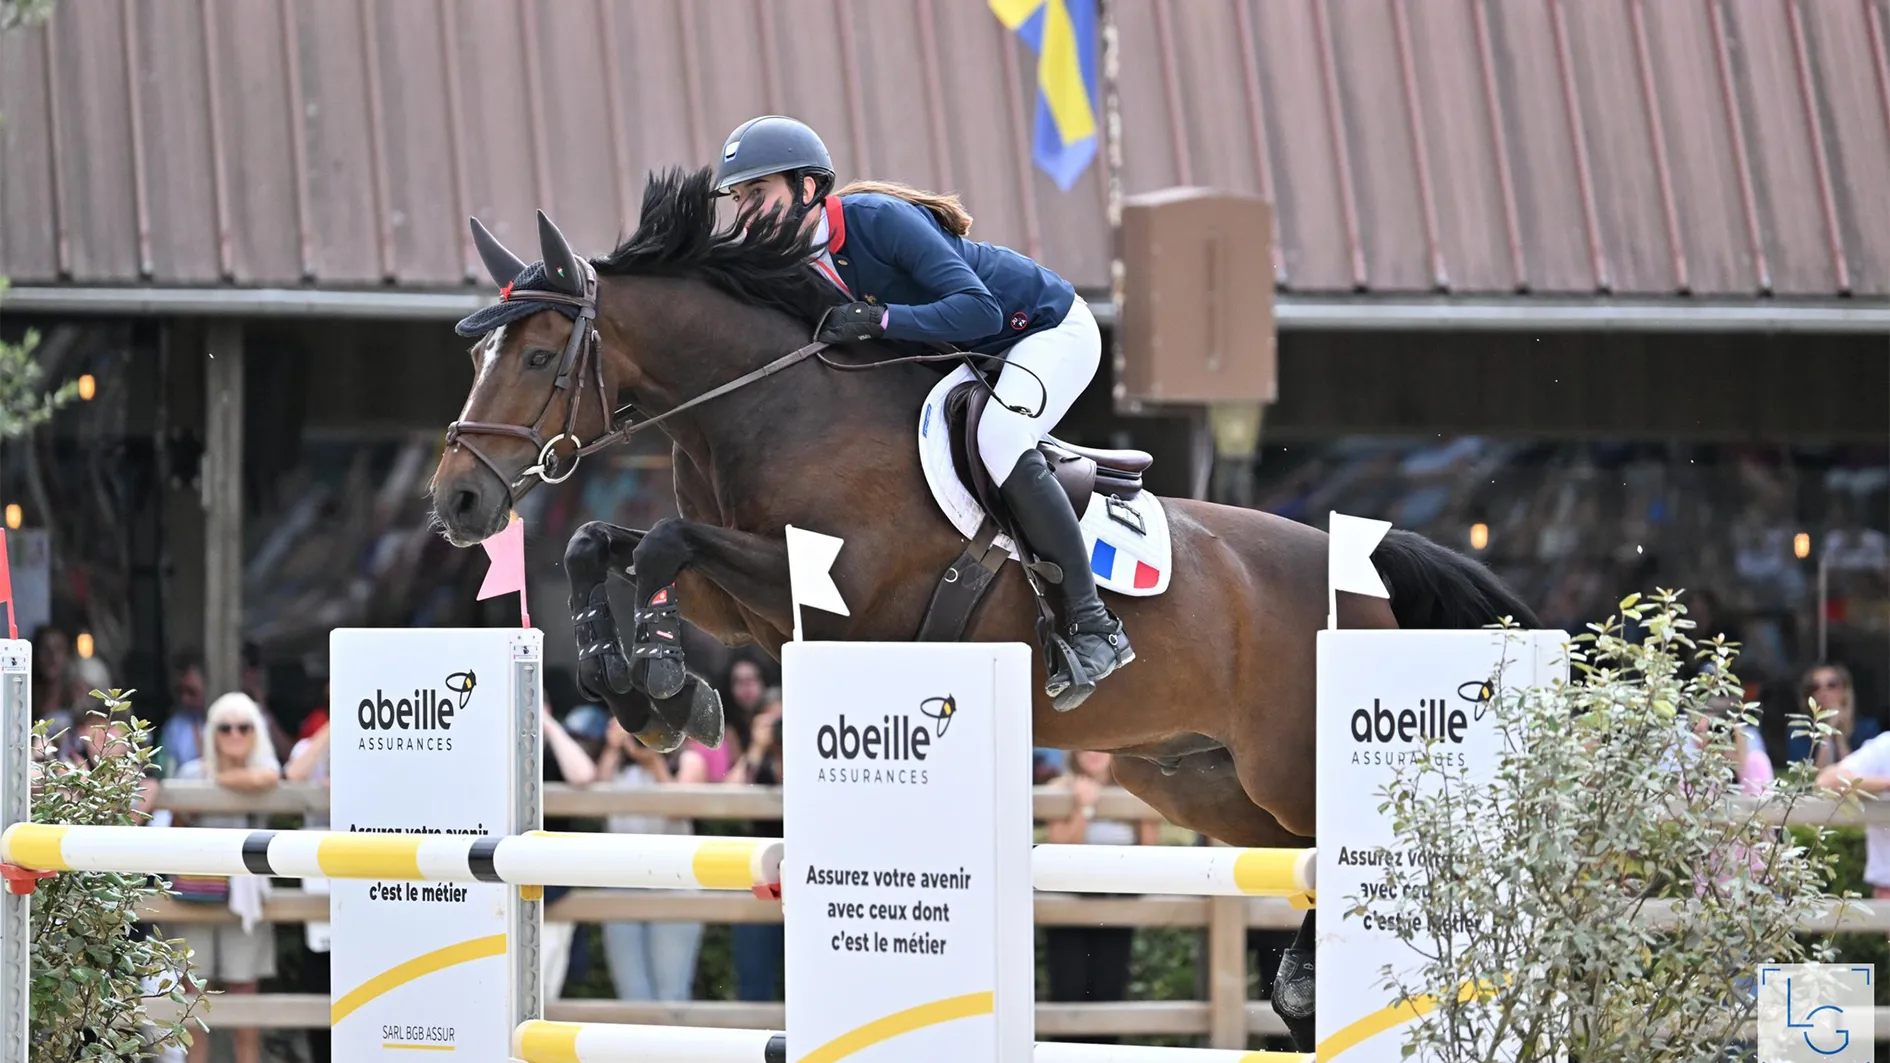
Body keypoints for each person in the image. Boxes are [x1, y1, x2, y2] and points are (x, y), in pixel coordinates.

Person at [711, 114, 1132, 709]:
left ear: (808, 188)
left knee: (1000, 438)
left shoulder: (876, 222)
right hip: (965, 356)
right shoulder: (787, 264)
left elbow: (980, 312)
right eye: (737, 199)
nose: (745, 212)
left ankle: (1093, 625)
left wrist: (883, 320)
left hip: (1040, 330)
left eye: (758, 193)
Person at [165, 692, 281, 1063]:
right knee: (194, 1008)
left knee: (246, 1007)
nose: (234, 734)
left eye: (244, 727)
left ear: (255, 732)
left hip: (244, 900)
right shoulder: (190, 773)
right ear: (213, 732)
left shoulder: (265, 772)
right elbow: (177, 826)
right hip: (196, 895)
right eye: (225, 727)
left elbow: (271, 776)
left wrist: (221, 779)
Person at [725, 687, 785, 1001]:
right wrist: (758, 747)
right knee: (753, 980)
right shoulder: (755, 763)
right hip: (761, 879)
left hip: (805, 878)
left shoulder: (814, 756)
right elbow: (729, 796)